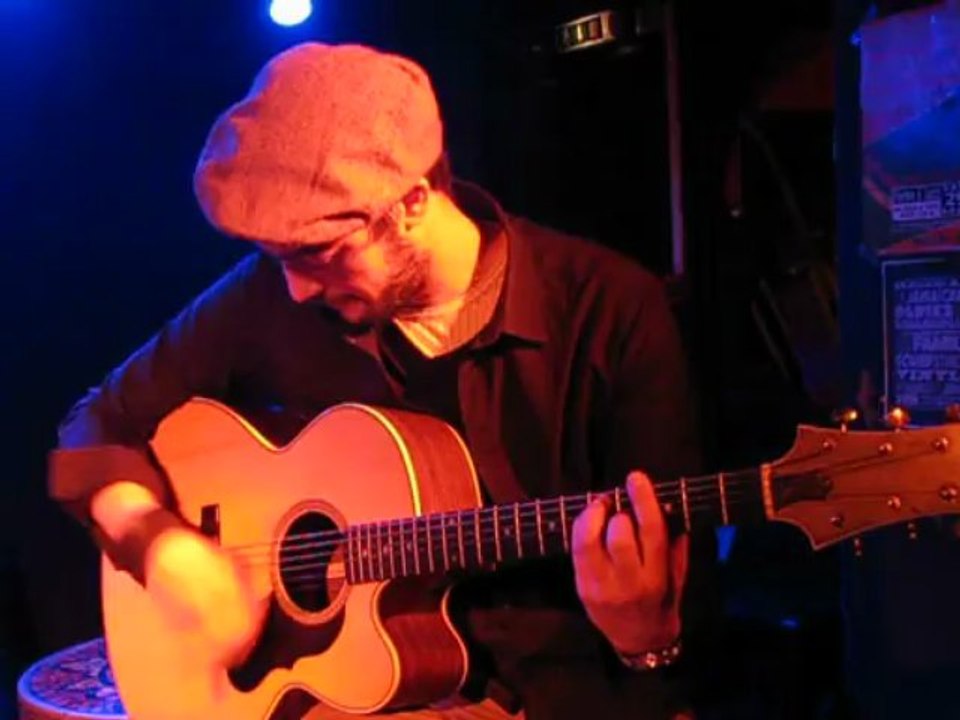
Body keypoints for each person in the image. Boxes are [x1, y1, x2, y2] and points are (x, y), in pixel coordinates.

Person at [47, 42, 711, 719]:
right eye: (276, 257)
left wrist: (645, 639)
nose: (297, 289)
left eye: (319, 253)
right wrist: (158, 543)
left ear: (412, 202)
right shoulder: (273, 294)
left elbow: (682, 633)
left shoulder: (610, 310)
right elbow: (97, 423)